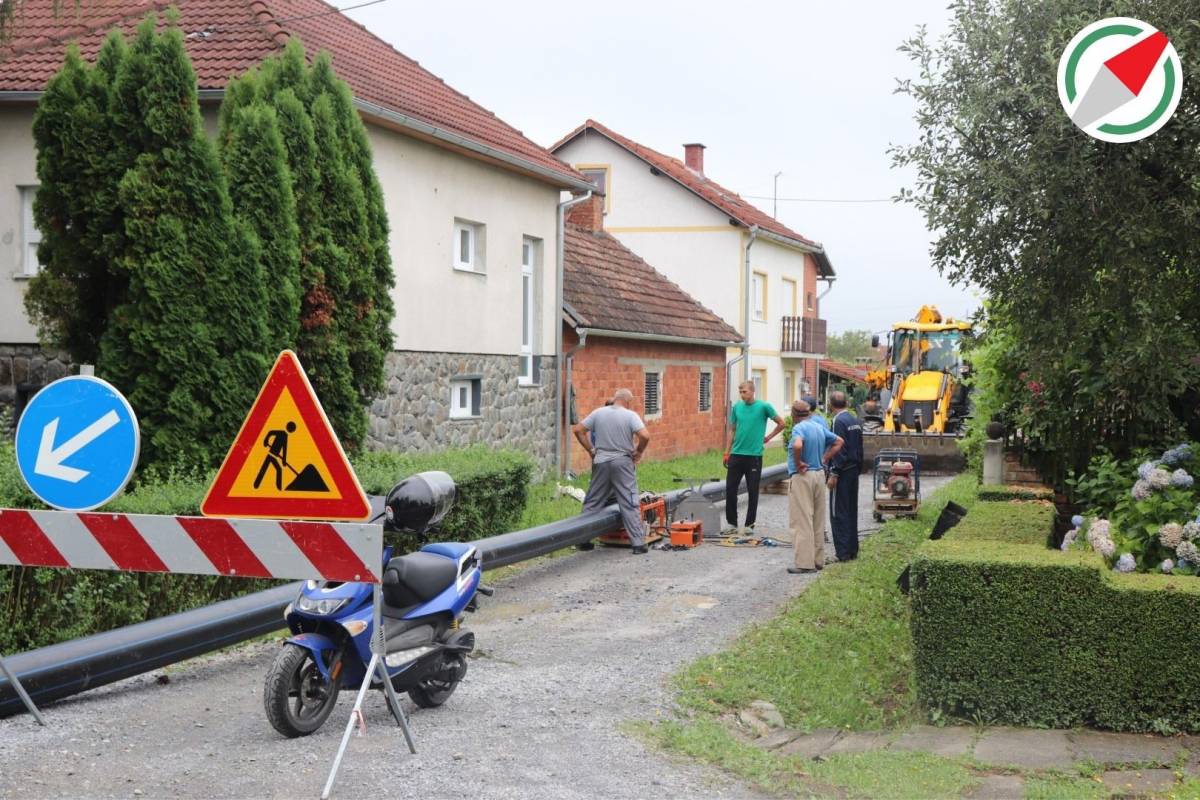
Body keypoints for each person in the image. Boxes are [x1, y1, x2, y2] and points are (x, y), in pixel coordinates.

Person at [572, 389, 653, 554]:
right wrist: (639, 452)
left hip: (600, 461)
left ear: (615, 399)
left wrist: (591, 450)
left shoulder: (598, 413)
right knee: (629, 501)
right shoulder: (630, 415)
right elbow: (645, 436)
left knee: (592, 501)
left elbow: (578, 430)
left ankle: (582, 541)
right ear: (628, 401)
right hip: (622, 462)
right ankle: (638, 544)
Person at [787, 400, 843, 574]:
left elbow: (797, 445)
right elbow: (839, 441)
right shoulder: (818, 426)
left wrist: (798, 462)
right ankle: (818, 560)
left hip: (803, 476)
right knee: (818, 520)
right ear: (808, 413)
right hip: (819, 475)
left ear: (794, 415)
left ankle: (804, 563)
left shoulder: (799, 428)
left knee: (802, 520)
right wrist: (825, 458)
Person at [724, 381, 785, 534]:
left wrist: (768, 437)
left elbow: (781, 423)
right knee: (730, 490)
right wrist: (727, 452)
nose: (742, 395)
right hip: (736, 455)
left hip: (754, 456)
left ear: (752, 391)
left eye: (744, 391)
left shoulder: (764, 407)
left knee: (752, 491)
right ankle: (732, 524)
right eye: (740, 392)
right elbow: (731, 430)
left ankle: (749, 525)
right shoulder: (737, 407)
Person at [827, 391, 864, 562]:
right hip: (854, 470)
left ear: (831, 404)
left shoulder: (838, 421)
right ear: (847, 403)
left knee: (838, 511)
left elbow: (838, 447)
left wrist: (834, 472)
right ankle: (852, 549)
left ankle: (842, 553)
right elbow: (860, 446)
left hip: (842, 471)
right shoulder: (854, 420)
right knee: (851, 509)